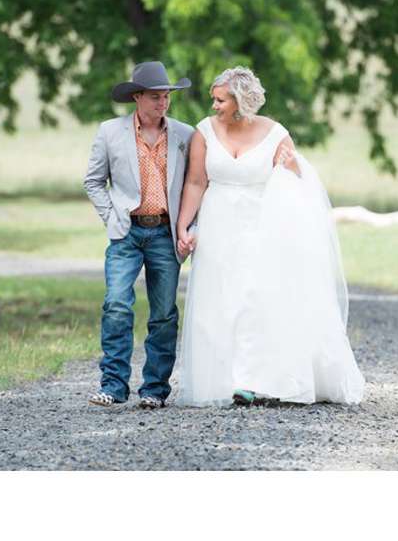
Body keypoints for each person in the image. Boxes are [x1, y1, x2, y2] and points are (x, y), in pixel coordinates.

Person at [169, 66, 365, 406]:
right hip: (217, 226)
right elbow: (196, 182)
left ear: (241, 101)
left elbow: (298, 183)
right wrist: (184, 226)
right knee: (219, 298)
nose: (214, 106)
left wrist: (292, 168)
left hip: (261, 227)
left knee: (253, 297)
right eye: (213, 100)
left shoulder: (276, 134)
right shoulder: (204, 132)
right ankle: (221, 377)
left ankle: (251, 379)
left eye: (220, 100)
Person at [82, 62, 199, 408]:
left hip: (165, 232)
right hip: (126, 233)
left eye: (166, 97)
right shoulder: (110, 132)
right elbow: (93, 181)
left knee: (163, 313)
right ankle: (114, 385)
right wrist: (111, 217)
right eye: (155, 97)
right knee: (117, 304)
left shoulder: (185, 135)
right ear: (137, 98)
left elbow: (196, 185)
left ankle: (154, 390)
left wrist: (189, 228)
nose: (162, 103)